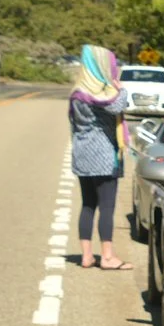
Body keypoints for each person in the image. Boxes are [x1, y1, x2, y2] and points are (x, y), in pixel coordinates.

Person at [67, 44, 131, 270]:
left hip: (82, 153)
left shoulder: (77, 93)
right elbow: (118, 107)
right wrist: (122, 90)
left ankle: (86, 256)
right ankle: (107, 256)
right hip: (104, 155)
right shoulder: (102, 94)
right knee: (107, 206)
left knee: (87, 204)